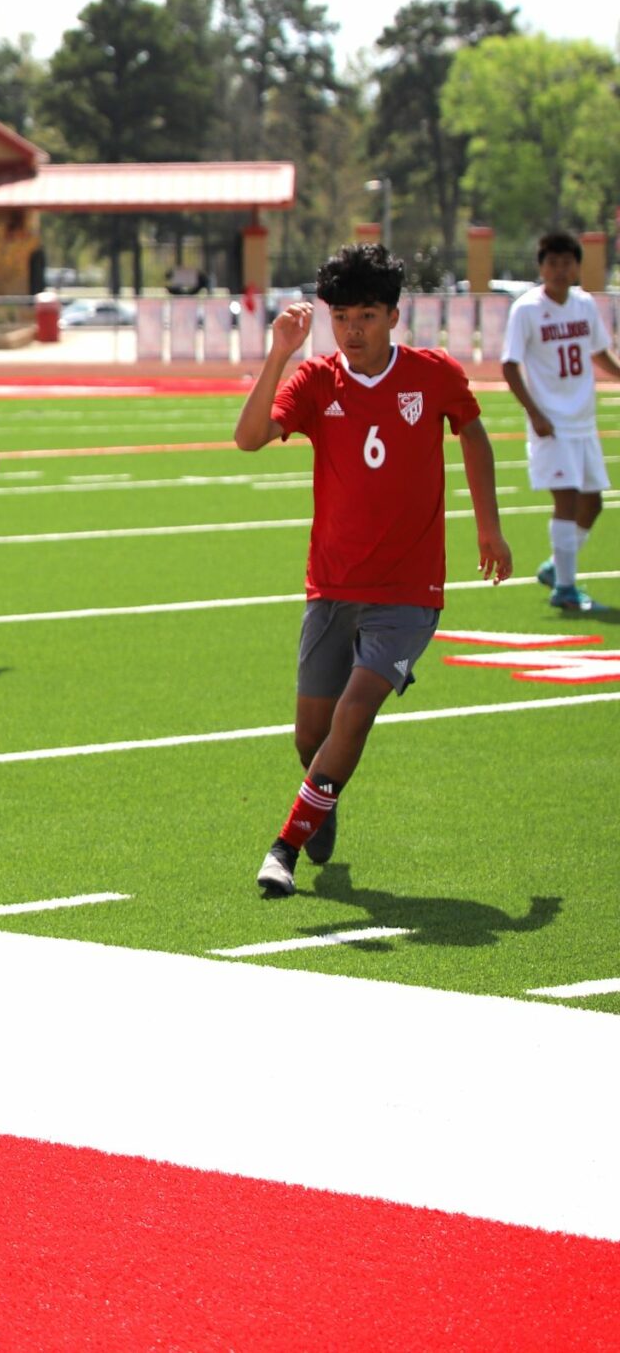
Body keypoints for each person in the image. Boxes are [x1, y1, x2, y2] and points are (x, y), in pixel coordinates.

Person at [233, 244, 510, 898]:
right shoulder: (316, 379)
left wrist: (490, 526)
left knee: (355, 712)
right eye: (342, 317)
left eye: (366, 315)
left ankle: (284, 848)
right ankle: (321, 800)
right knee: (311, 735)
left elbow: (472, 432)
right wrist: (279, 354)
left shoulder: (433, 374)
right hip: (331, 585)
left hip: (408, 593)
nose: (352, 330)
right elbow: (247, 437)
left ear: (392, 315)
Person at [500, 232, 619, 613]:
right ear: (541, 267)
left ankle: (556, 567)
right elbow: (509, 364)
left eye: (567, 262)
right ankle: (566, 589)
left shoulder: (584, 304)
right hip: (551, 422)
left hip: (583, 421)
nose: (559, 269)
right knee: (566, 498)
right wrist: (534, 412)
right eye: (552, 262)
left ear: (577, 266)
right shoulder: (527, 309)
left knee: (593, 503)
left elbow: (599, 352)